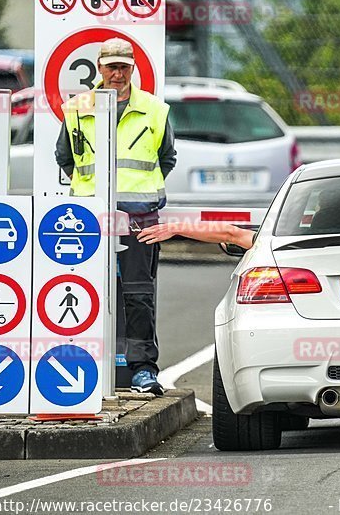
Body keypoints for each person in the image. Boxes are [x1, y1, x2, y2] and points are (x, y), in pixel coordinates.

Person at [54, 38, 176, 396]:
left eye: (124, 66)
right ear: (100, 68)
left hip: (139, 216)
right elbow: (65, 156)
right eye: (111, 67)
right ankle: (82, 363)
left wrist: (138, 193)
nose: (118, 73)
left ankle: (142, 369)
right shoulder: (77, 108)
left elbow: (166, 159)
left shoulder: (155, 110)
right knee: (86, 290)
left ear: (132, 68)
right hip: (89, 218)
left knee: (138, 294)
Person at [137, 222, 255, 250]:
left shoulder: (268, 242)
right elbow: (230, 234)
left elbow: (231, 234)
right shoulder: (273, 242)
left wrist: (175, 228)